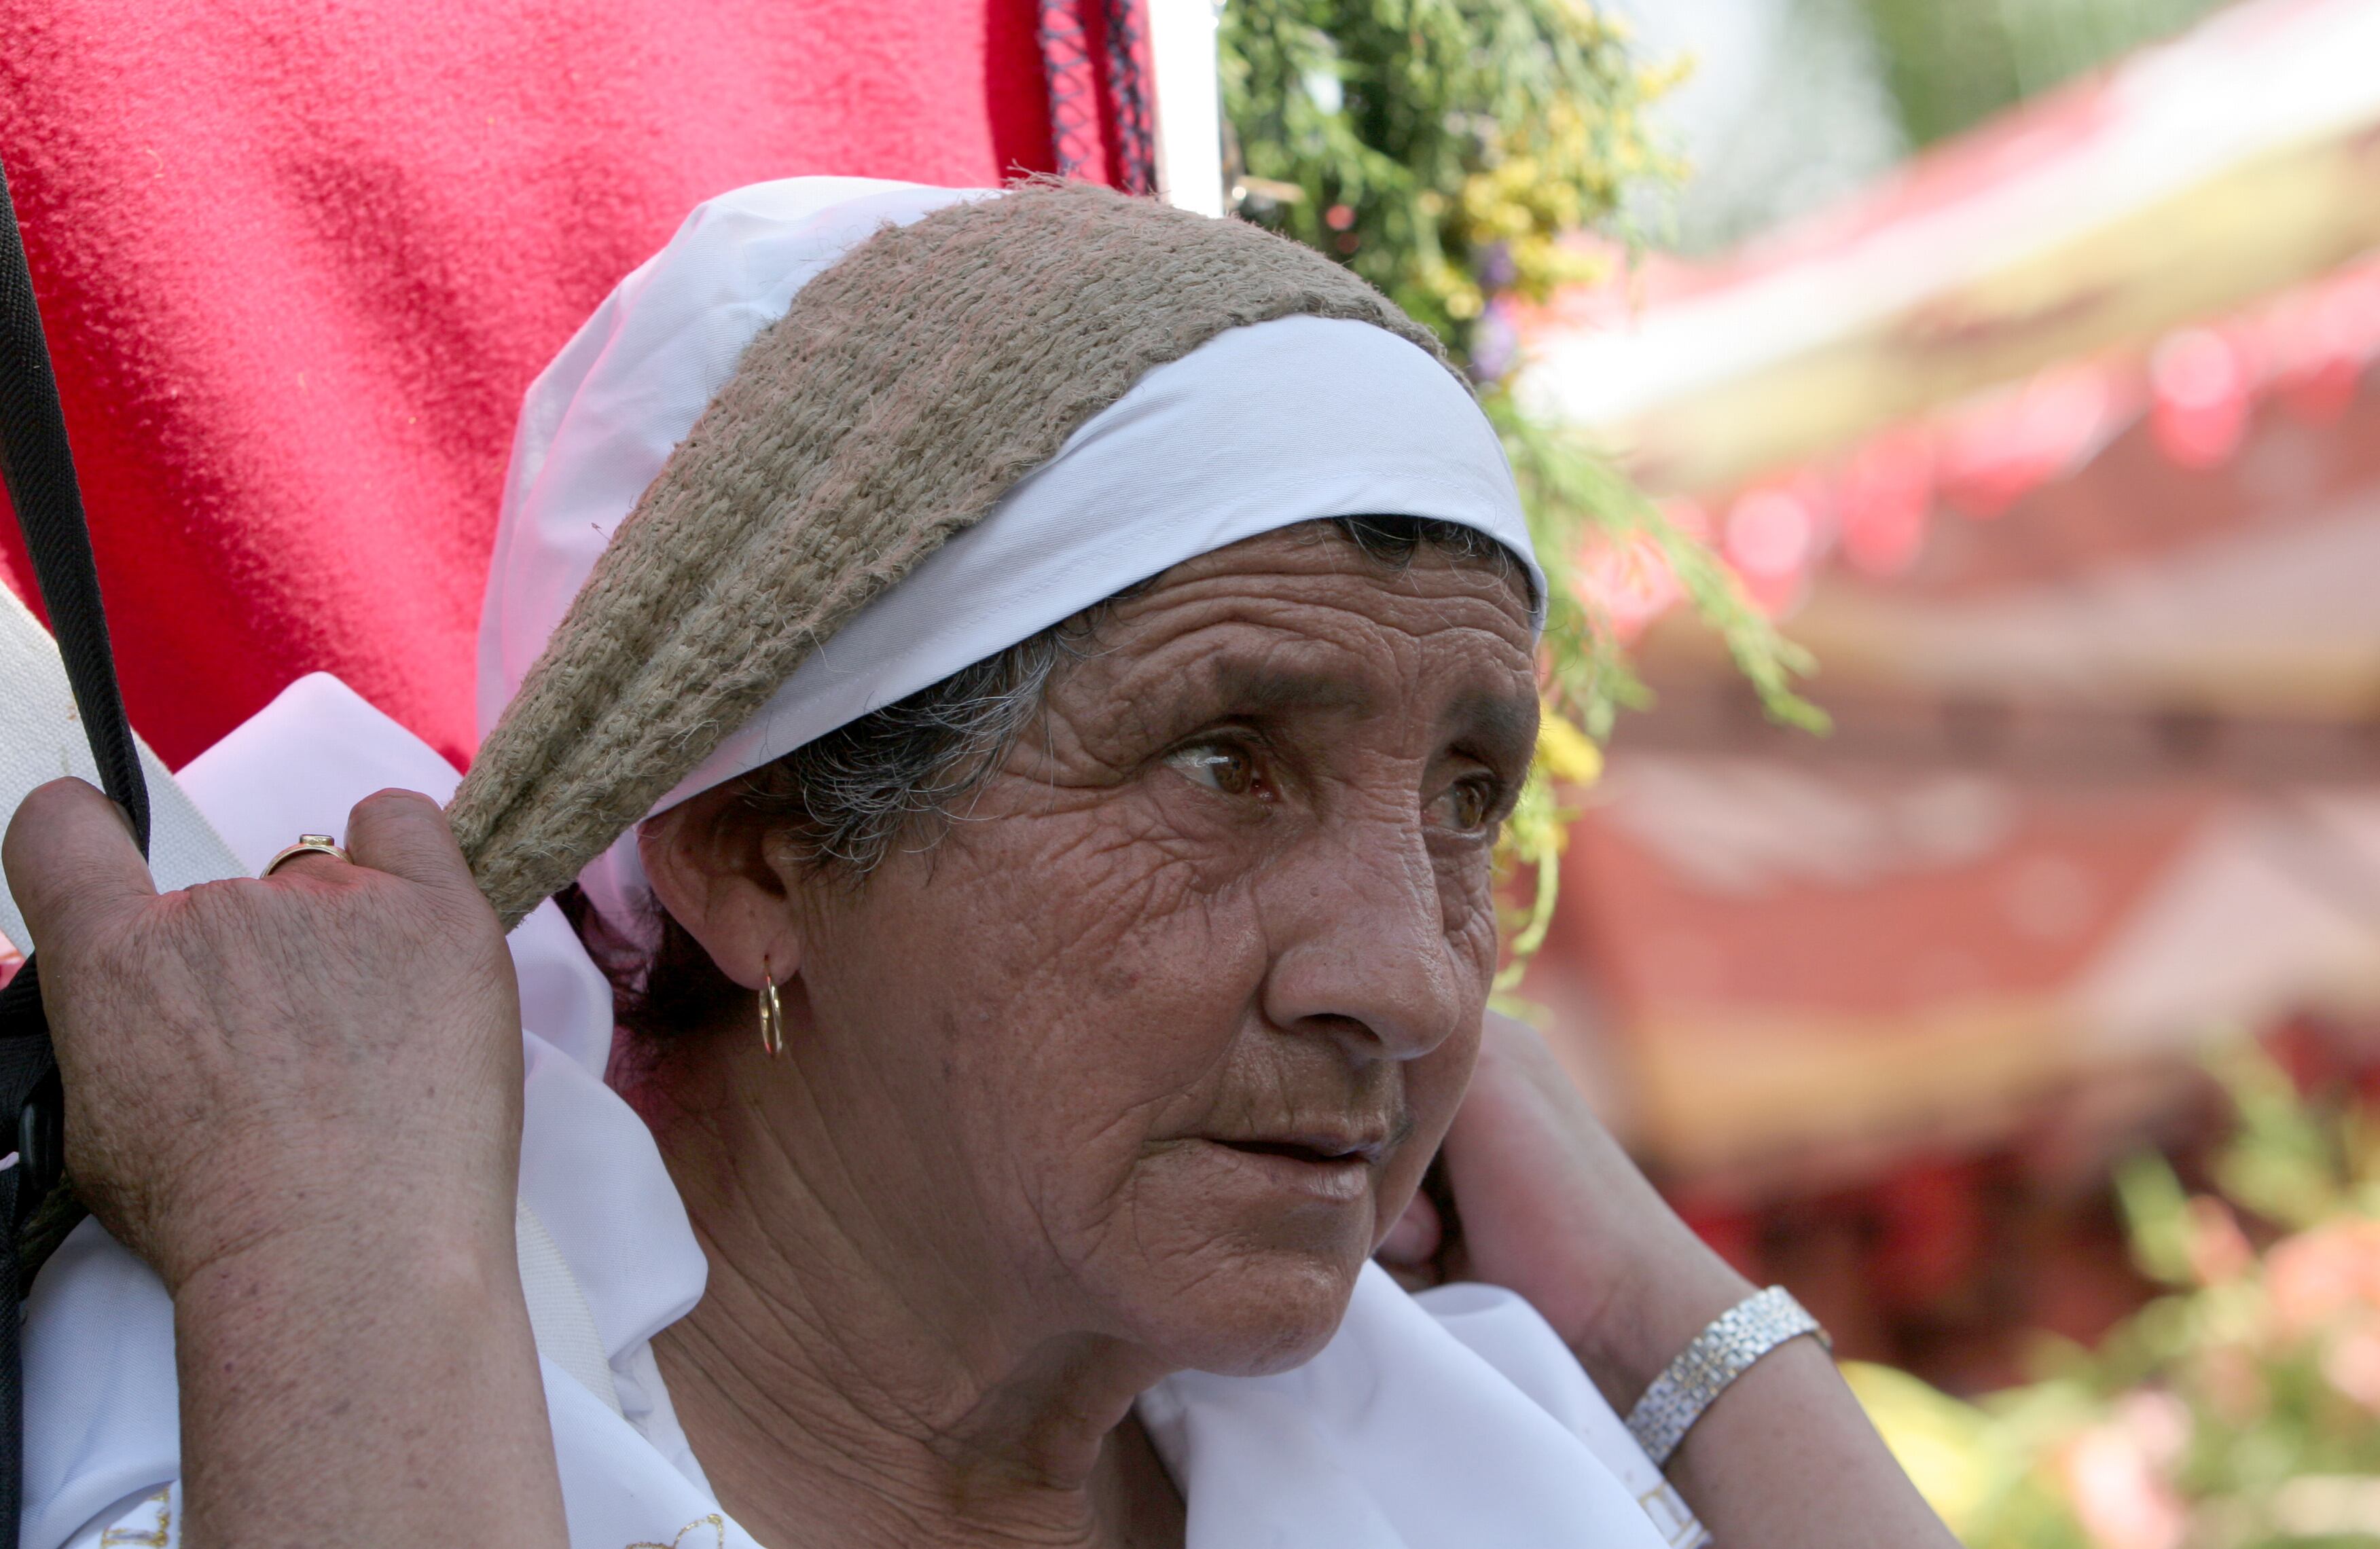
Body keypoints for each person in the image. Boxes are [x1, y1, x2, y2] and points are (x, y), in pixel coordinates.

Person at [7, 178, 1956, 1549]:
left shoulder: (1433, 1444)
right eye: (1225, 761)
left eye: (1467, 798)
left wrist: (1642, 1302)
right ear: (754, 852)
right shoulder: (296, 1365)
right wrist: (322, 1267)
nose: (1419, 981)